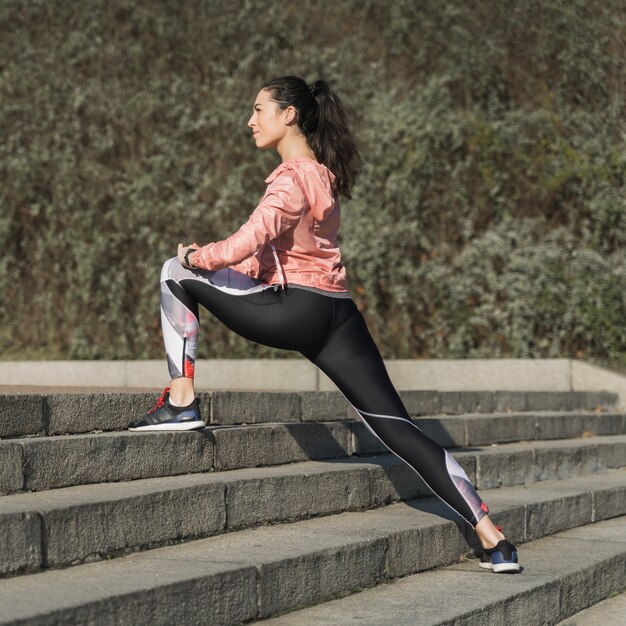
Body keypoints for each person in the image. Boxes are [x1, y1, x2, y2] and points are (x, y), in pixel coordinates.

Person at [127, 75, 521, 573]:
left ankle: (181, 401)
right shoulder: (323, 175)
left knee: (173, 270)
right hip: (339, 316)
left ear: (289, 114)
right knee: (399, 428)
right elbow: (278, 255)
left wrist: (195, 254)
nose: (250, 121)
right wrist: (228, 265)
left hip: (296, 312)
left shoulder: (291, 177)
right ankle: (493, 537)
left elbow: (243, 243)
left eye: (259, 110)